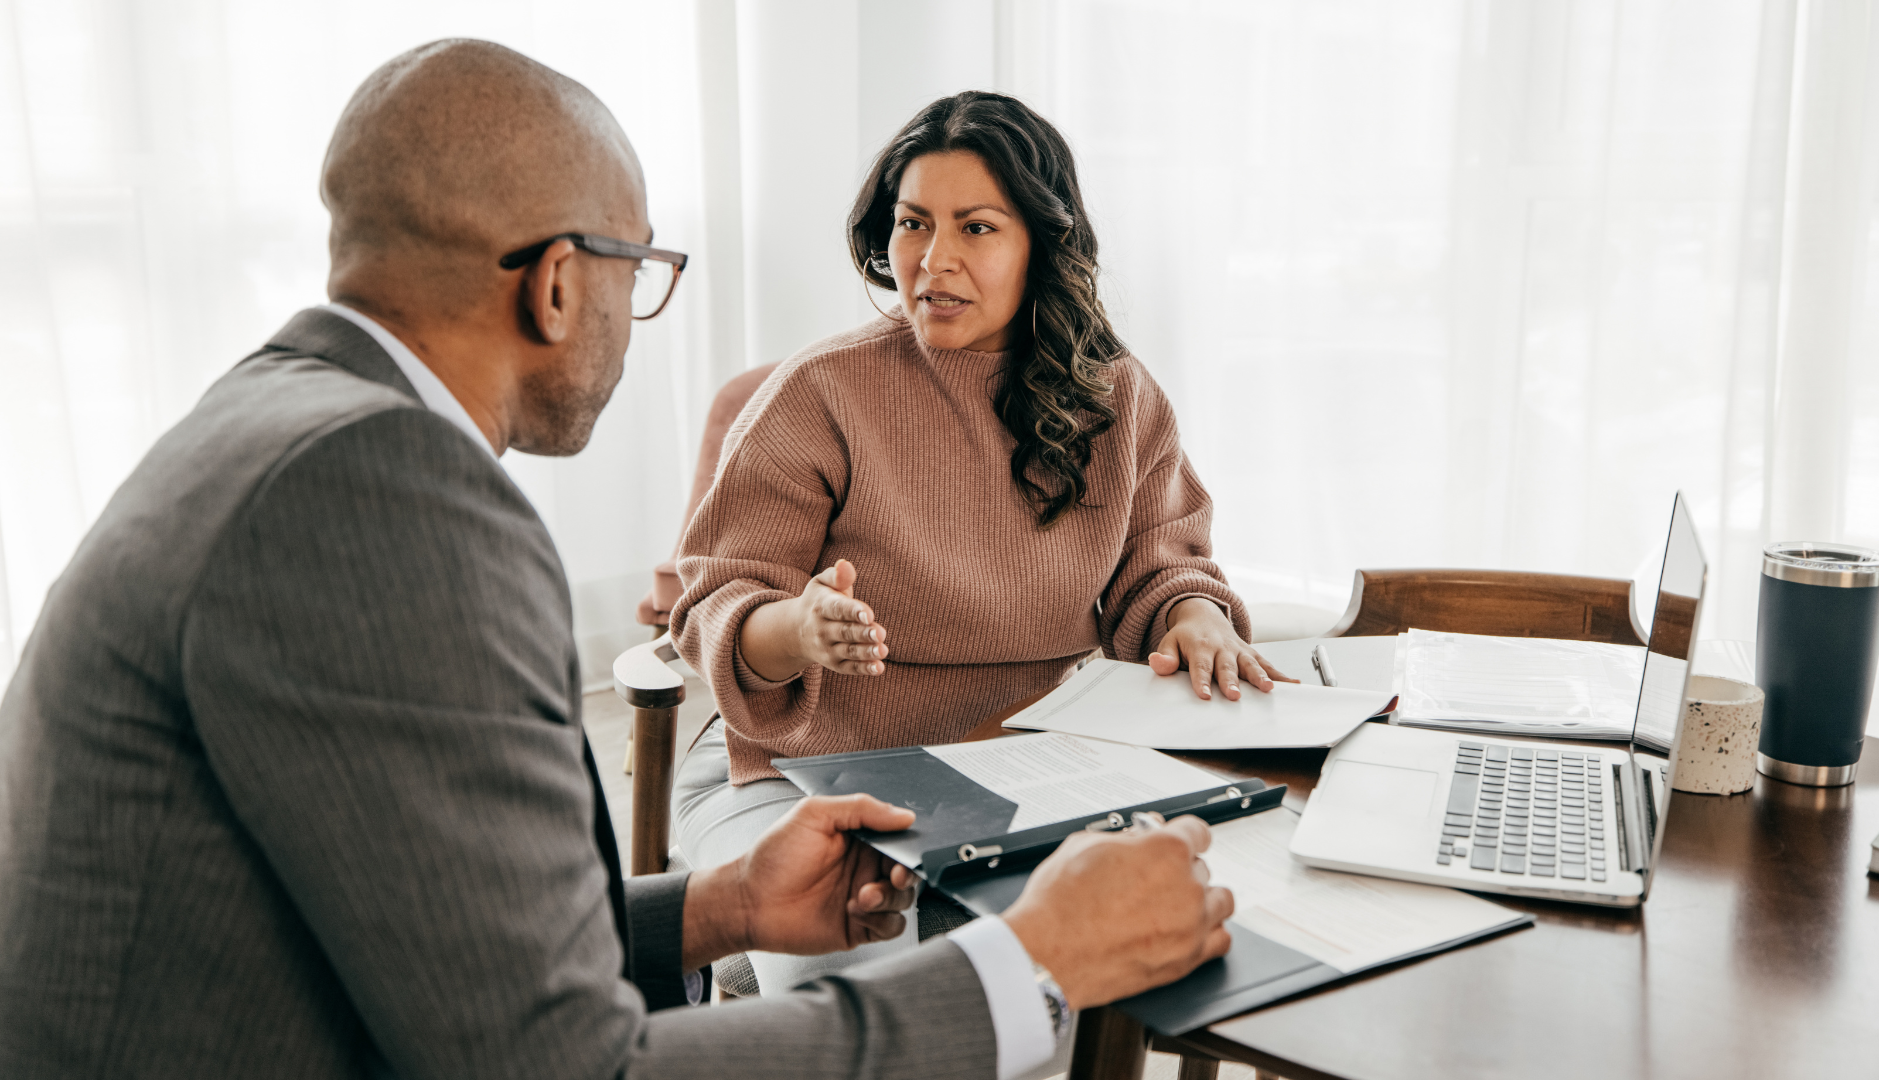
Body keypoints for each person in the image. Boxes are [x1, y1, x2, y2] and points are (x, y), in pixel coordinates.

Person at [0, 42, 1236, 1080]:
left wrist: (720, 908)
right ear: (555, 285)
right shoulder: (382, 499)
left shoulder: (284, 421)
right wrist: (1029, 967)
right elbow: (570, 1062)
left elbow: (454, 938)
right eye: (639, 271)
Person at [669, 91, 1287, 997]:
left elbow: (1163, 561)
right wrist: (794, 628)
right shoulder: (820, 394)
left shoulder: (1117, 398)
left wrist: (1193, 616)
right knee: (879, 1011)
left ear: (1041, 242)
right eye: (914, 223)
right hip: (809, 772)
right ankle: (752, 977)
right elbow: (713, 605)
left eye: (978, 227)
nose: (935, 260)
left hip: (1027, 770)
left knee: (1123, 963)